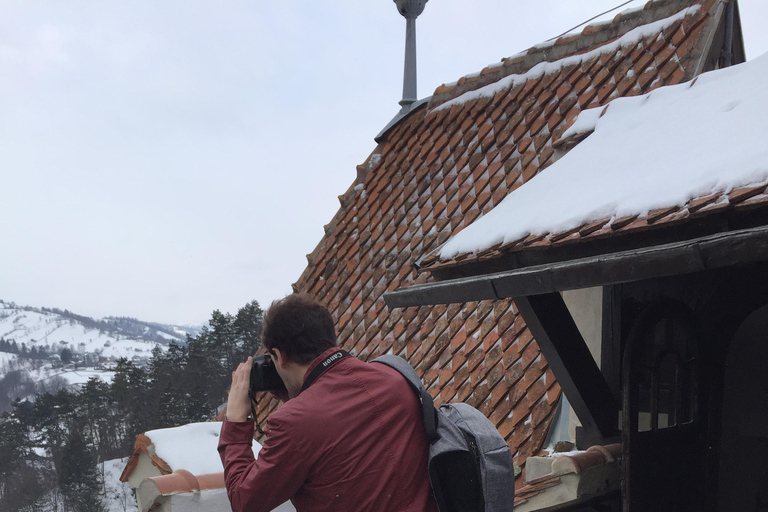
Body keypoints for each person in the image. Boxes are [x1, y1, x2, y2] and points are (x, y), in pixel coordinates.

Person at [218, 293, 438, 512]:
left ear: (279, 356)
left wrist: (236, 422)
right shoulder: (395, 377)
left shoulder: (293, 423)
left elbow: (245, 500)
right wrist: (299, 398)